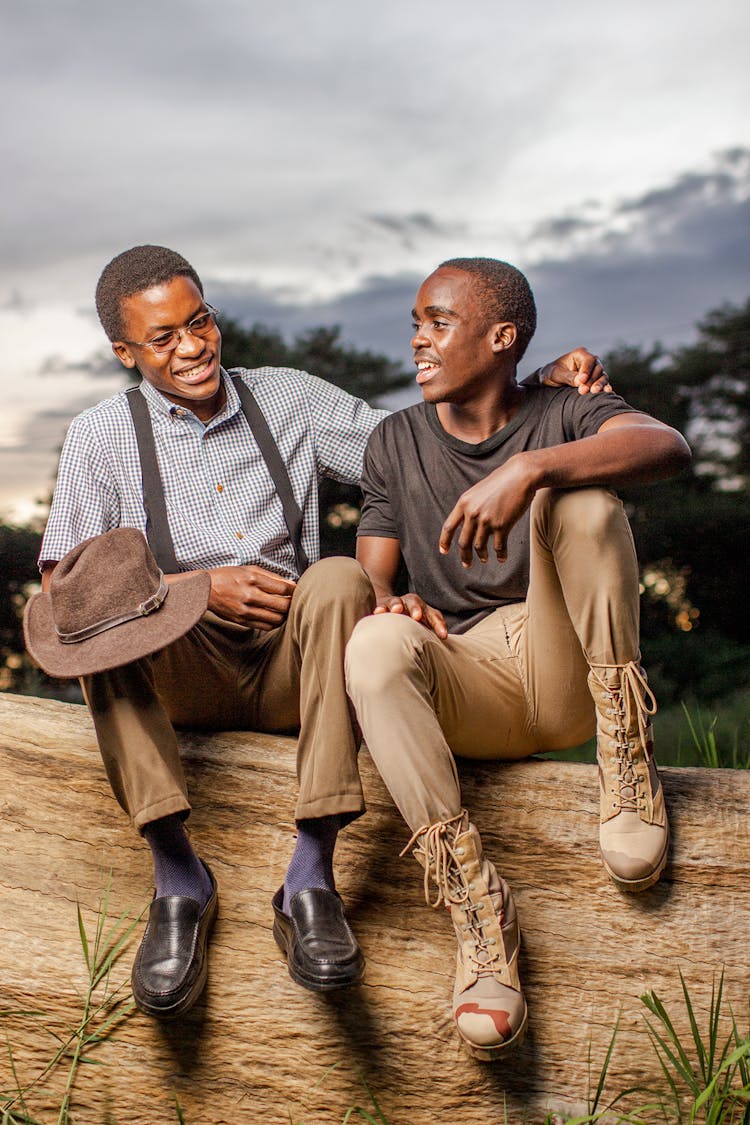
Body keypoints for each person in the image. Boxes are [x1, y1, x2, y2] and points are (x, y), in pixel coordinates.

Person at [24, 244, 610, 1021]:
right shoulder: (103, 434)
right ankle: (176, 879)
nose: (192, 347)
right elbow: (63, 591)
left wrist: (528, 387)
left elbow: (417, 447)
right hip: (182, 674)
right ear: (125, 352)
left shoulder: (288, 398)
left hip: (295, 672)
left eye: (200, 322)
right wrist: (192, 589)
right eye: (163, 338)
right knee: (103, 617)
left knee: (337, 577)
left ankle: (311, 875)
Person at [344, 257, 691, 1061]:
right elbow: (373, 569)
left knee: (587, 499)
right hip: (469, 679)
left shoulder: (564, 407)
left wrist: (529, 467)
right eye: (415, 323)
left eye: (438, 321)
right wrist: (383, 599)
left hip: (564, 662)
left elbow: (665, 445)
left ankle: (626, 760)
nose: (417, 340)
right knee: (373, 641)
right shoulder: (395, 439)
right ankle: (476, 904)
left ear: (501, 337)